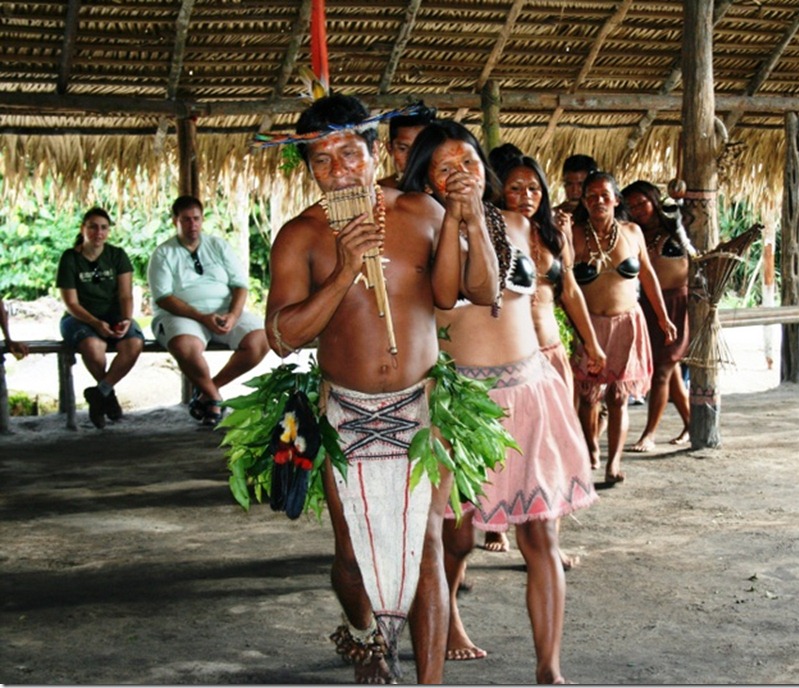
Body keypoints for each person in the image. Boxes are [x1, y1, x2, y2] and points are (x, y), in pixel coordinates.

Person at [264, 95, 499, 684]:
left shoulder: (422, 212)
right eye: (322, 161)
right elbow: (283, 337)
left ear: (375, 153)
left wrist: (468, 218)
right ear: (309, 170)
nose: (339, 169)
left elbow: (471, 291)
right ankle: (366, 633)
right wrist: (345, 268)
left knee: (423, 549)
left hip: (422, 403)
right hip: (344, 411)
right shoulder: (302, 235)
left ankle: (427, 681)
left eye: (350, 153)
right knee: (351, 557)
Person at [403, 122, 597, 684]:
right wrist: (459, 220)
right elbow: (456, 293)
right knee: (456, 534)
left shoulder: (515, 224)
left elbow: (507, 288)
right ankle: (451, 622)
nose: (461, 174)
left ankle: (549, 667)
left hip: (529, 390)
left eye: (468, 161)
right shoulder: (423, 233)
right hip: (464, 403)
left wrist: (474, 219)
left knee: (542, 535)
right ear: (426, 181)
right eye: (445, 168)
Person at [489, 145, 607, 568]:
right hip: (512, 361)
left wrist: (591, 344)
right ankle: (491, 524)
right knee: (509, 447)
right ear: (499, 190)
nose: (526, 194)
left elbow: (570, 291)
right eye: (516, 187)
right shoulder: (492, 233)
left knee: (553, 449)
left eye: (534, 187)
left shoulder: (553, 234)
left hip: (553, 354)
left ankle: (546, 545)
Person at [570, 172, 676, 484]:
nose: (598, 201)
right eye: (591, 196)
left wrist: (662, 316)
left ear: (616, 200)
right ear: (584, 203)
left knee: (618, 398)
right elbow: (563, 281)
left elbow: (647, 276)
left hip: (627, 324)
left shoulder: (632, 232)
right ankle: (591, 447)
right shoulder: (574, 235)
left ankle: (613, 462)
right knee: (588, 397)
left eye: (605, 195)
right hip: (589, 326)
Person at [147, 196, 270, 426]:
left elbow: (240, 285)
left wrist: (233, 315)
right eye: (186, 220)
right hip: (181, 315)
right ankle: (214, 398)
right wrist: (202, 317)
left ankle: (209, 390)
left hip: (224, 310)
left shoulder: (218, 246)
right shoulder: (163, 254)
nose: (192, 225)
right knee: (184, 346)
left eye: (196, 219)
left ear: (203, 219)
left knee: (261, 339)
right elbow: (163, 297)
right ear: (175, 221)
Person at [622, 180, 697, 451]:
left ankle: (649, 434)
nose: (638, 209)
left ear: (654, 199)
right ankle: (691, 423)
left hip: (677, 305)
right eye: (631, 205)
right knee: (670, 369)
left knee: (662, 371)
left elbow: (692, 220)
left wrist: (680, 198)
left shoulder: (676, 228)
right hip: (649, 306)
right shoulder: (632, 233)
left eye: (642, 202)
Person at [55, 207, 144, 429]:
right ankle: (108, 395)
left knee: (134, 343)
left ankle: (99, 393)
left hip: (113, 315)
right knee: (93, 347)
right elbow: (71, 303)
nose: (99, 232)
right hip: (79, 318)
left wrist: (126, 319)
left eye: (104, 227)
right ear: (83, 229)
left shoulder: (117, 255)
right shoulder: (70, 258)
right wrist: (95, 323)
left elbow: (125, 294)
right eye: (93, 227)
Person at [377, 106, 436, 189]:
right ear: (390, 149)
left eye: (420, 148)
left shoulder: (447, 192)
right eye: (403, 149)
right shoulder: (378, 193)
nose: (412, 157)